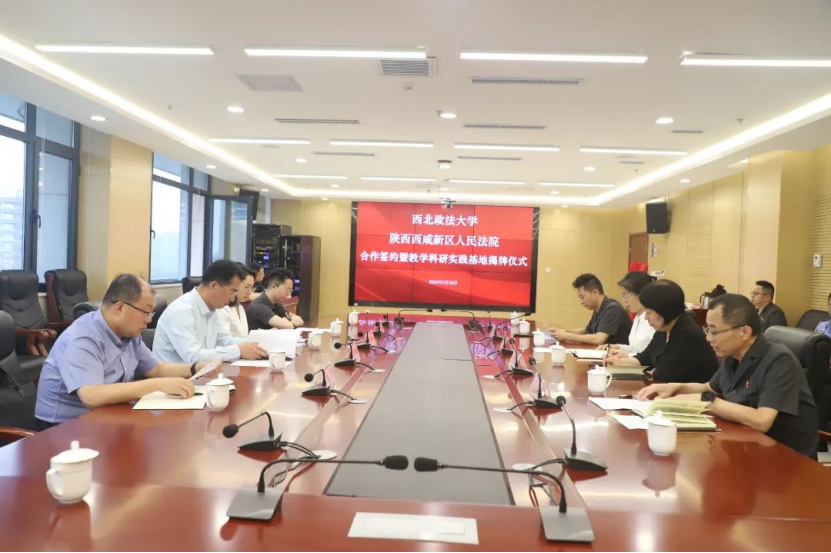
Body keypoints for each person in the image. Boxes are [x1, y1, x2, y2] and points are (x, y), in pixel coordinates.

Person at [637, 293, 818, 459]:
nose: (708, 338)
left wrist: (707, 401)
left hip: (784, 457)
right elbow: (709, 388)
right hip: (744, 445)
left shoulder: (779, 360)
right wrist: (674, 387)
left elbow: (762, 420)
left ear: (744, 332)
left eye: (714, 332)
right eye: (707, 330)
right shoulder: (733, 354)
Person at [34, 274, 217, 429]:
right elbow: (91, 395)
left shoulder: (129, 334)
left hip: (107, 416)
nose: (148, 321)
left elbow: (156, 369)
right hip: (63, 427)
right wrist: (158, 385)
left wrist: (196, 368)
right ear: (120, 308)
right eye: (146, 312)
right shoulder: (83, 337)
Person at [153, 260, 268, 363]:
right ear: (214, 285)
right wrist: (238, 351)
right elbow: (193, 356)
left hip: (202, 375)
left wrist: (259, 343)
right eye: (232, 292)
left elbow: (225, 341)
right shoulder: (182, 310)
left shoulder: (212, 308)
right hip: (177, 378)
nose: (233, 298)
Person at [609, 280, 718, 383]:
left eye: (649, 312)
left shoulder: (687, 334)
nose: (646, 317)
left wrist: (653, 372)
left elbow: (664, 374)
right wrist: (618, 362)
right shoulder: (664, 328)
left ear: (664, 310)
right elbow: (645, 357)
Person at [549, 273, 632, 345]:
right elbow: (586, 331)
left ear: (595, 293)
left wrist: (567, 336)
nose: (581, 302)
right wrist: (563, 331)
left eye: (582, 297)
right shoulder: (598, 308)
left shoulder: (613, 309)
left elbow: (599, 339)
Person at [601, 271, 656, 357]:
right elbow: (634, 348)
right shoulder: (638, 316)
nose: (624, 300)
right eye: (623, 296)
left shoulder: (653, 319)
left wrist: (627, 355)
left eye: (626, 295)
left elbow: (649, 356)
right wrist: (616, 347)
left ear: (641, 294)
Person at [217, 263, 255, 338]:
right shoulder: (222, 308)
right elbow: (224, 341)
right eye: (246, 287)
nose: (249, 292)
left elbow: (244, 337)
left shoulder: (240, 307)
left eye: (252, 288)